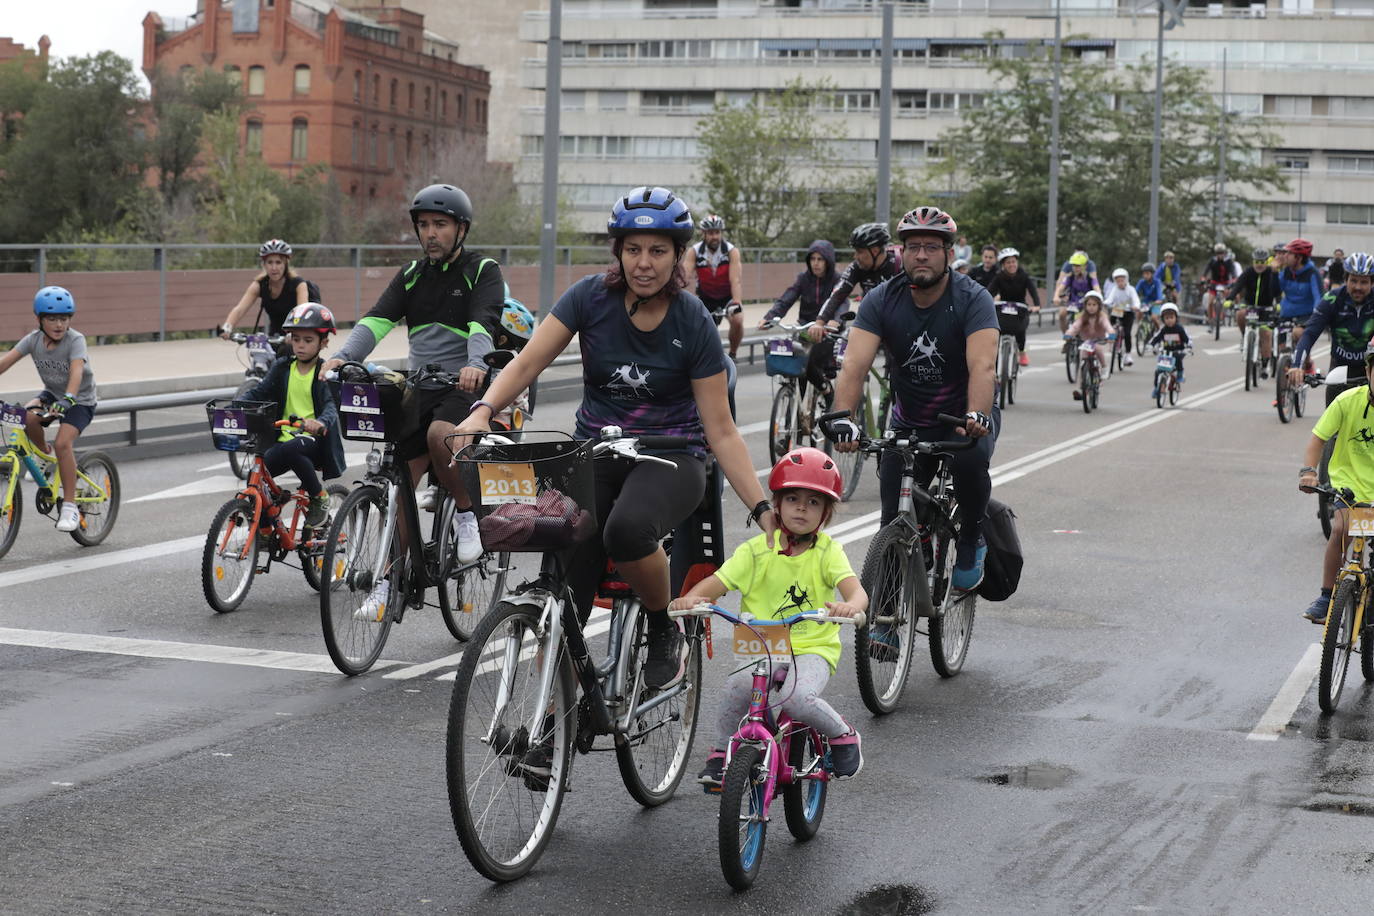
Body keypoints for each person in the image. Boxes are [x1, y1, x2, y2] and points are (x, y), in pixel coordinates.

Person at [451, 185, 777, 691]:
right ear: (618, 252)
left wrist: (762, 512)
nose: (643, 263)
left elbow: (722, 430)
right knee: (565, 566)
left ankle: (662, 625)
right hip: (596, 452)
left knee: (624, 531)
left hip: (671, 458)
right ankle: (548, 729)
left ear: (677, 256)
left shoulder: (692, 321)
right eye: (632, 250)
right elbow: (530, 360)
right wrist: (482, 411)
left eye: (657, 251)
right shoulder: (588, 297)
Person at [322, 183, 504, 573]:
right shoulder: (410, 275)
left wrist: (476, 364)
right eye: (423, 225)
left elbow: (482, 322)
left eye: (440, 224)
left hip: (463, 386)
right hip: (420, 387)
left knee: (442, 435)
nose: (430, 233)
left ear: (461, 229)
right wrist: (342, 357)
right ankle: (393, 580)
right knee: (398, 480)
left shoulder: (482, 270)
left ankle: (467, 515)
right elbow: (375, 320)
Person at [826, 204, 998, 592]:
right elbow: (854, 366)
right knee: (893, 518)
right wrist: (841, 416)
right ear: (900, 253)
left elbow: (983, 367)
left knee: (971, 463)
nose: (922, 254)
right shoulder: (882, 300)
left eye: (932, 247)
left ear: (949, 254)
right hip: (909, 419)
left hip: (963, 418)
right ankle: (885, 624)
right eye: (914, 246)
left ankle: (971, 538)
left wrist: (977, 415)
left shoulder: (973, 299)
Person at [672, 447, 868, 788]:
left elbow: (856, 591)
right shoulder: (755, 551)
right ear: (776, 504)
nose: (802, 508)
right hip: (761, 644)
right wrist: (691, 599)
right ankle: (721, 753)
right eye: (792, 498)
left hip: (811, 647)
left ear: (826, 513)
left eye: (814, 502)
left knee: (797, 697)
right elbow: (716, 583)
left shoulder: (827, 552)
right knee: (736, 688)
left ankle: (843, 734)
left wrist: (851, 605)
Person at [238, 304, 345, 527]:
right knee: (256, 478)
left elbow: (330, 406)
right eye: (296, 339)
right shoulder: (282, 367)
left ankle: (319, 497)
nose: (300, 345)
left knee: (293, 448)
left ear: (323, 342)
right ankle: (266, 532)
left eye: (308, 340)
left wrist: (320, 423)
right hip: (283, 439)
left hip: (314, 442)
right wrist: (235, 405)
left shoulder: (324, 372)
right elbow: (259, 392)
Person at [0, 286, 97, 532]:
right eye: (52, 318)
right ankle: (45, 456)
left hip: (80, 400)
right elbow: (6, 361)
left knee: (64, 442)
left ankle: (70, 507)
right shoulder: (33, 340)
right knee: (27, 418)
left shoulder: (76, 340)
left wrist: (69, 398)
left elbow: (76, 370)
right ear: (40, 320)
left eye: (64, 318)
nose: (59, 324)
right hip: (51, 395)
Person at [1298, 344, 1374, 624]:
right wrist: (1308, 471)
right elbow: (1318, 439)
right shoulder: (1346, 401)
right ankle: (1327, 596)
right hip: (1349, 484)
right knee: (1341, 529)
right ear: (1368, 372)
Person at [1290, 253, 1374, 406]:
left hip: (1370, 368)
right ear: (1345, 279)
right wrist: (1297, 365)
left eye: (1364, 282)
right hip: (1340, 368)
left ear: (1372, 283)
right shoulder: (1332, 299)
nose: (1358, 287)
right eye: (1353, 281)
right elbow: (1310, 333)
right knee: (1330, 426)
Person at [761, 239, 839, 397]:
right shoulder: (804, 278)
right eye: (812, 259)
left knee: (807, 361)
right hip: (805, 328)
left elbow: (841, 301)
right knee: (797, 359)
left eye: (820, 259)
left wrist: (835, 321)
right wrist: (769, 317)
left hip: (827, 331)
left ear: (828, 261)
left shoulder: (837, 280)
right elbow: (788, 297)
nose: (815, 263)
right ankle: (800, 414)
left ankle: (826, 391)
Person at [812, 222, 902, 339]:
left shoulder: (899, 266)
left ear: (874, 251)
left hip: (896, 325)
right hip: (870, 322)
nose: (855, 256)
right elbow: (838, 294)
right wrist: (819, 323)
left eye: (859, 252)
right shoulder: (857, 267)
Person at [220, 239, 313, 339]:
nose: (274, 267)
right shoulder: (260, 284)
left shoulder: (298, 284)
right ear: (264, 264)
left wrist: (294, 334)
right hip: (274, 337)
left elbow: (302, 313)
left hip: (298, 336)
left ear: (285, 264)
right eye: (270, 262)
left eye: (278, 262)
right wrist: (227, 328)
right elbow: (239, 310)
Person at [686, 214, 745, 360]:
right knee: (698, 328)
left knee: (737, 320)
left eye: (717, 232)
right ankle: (703, 358)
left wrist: (737, 302)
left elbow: (735, 280)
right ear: (704, 234)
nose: (715, 237)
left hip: (727, 296)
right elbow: (684, 277)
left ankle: (732, 353)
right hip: (706, 296)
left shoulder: (731, 251)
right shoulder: (694, 251)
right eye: (711, 233)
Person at [1230, 248, 1282, 375]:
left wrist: (1278, 303)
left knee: (1266, 334)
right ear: (1253, 261)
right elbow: (1238, 285)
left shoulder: (1271, 272)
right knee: (1240, 314)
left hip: (1266, 306)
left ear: (1266, 262)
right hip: (1250, 305)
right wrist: (1230, 298)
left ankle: (1265, 364)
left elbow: (1277, 289)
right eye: (1256, 261)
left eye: (1262, 262)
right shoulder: (1248, 271)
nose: (1259, 264)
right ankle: (1244, 336)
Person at [986, 246, 1041, 367]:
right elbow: (989, 292)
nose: (1011, 265)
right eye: (1008, 262)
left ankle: (1021, 352)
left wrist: (1037, 305)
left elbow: (1032, 290)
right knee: (996, 331)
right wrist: (984, 302)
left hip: (1020, 308)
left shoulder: (1023, 276)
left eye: (1013, 262)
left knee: (1020, 330)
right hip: (1003, 308)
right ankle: (995, 365)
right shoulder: (999, 277)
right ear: (1003, 265)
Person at [1066, 290, 1115, 400]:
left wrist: (1111, 334)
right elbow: (1075, 326)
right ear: (1085, 306)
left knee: (1097, 348)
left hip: (1098, 340)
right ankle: (1080, 388)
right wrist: (1069, 333)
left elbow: (1108, 326)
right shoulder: (1082, 316)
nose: (1091, 307)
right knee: (1083, 360)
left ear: (1099, 306)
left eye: (1094, 305)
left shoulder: (1102, 317)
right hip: (1086, 342)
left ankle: (1104, 367)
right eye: (1089, 305)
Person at [1278, 238, 1324, 335]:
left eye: (1289, 253)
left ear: (1299, 258)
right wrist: (1274, 273)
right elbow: (1275, 291)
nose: (1285, 256)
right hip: (1286, 313)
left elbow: (1318, 298)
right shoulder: (1286, 271)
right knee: (1273, 338)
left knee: (1298, 333)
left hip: (1305, 315)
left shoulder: (1313, 273)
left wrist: (1316, 317)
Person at [1149, 303, 1192, 397]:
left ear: (1176, 317)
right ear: (1163, 319)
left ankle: (1180, 374)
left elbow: (1187, 338)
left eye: (1171, 317)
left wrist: (1189, 346)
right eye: (1167, 318)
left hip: (1178, 351)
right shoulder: (1163, 329)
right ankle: (1157, 388)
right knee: (1158, 371)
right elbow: (1156, 338)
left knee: (1178, 358)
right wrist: (1151, 345)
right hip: (1166, 352)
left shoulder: (1180, 328)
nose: (1169, 320)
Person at [1053, 251, 1100, 334]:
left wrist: (1098, 297)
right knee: (1062, 313)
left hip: (1086, 305)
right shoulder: (1070, 277)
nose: (1075, 268)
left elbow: (1097, 289)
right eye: (1073, 265)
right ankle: (1066, 335)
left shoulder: (1090, 278)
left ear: (1084, 266)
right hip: (1072, 303)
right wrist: (1056, 296)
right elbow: (1061, 287)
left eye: (1078, 266)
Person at [1101, 268, 1141, 365]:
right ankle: (1109, 335)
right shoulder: (1114, 289)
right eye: (1118, 281)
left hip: (1128, 312)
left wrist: (1136, 306)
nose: (1120, 283)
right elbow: (1110, 299)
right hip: (1117, 310)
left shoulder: (1131, 289)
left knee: (1127, 333)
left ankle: (1128, 355)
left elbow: (1136, 299)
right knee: (1111, 324)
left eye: (1122, 280)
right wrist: (1105, 303)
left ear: (1126, 280)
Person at [1201, 243, 1235, 327]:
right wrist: (1203, 278)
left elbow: (1232, 272)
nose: (1220, 255)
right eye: (1218, 253)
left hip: (1225, 283)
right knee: (1210, 302)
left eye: (1222, 253)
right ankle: (1210, 320)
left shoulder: (1228, 261)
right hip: (1214, 283)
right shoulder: (1212, 261)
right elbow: (1206, 270)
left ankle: (1222, 316)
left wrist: (1234, 279)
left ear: (1224, 253)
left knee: (1225, 301)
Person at [1136, 262, 1165, 330]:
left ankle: (1159, 331)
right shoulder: (1141, 282)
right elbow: (1135, 292)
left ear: (1152, 274)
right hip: (1146, 303)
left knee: (1154, 318)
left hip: (1155, 303)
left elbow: (1159, 293)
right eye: (1144, 273)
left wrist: (1159, 300)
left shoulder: (1157, 282)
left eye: (1147, 273)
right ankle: (1140, 328)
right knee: (1139, 313)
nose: (1145, 275)